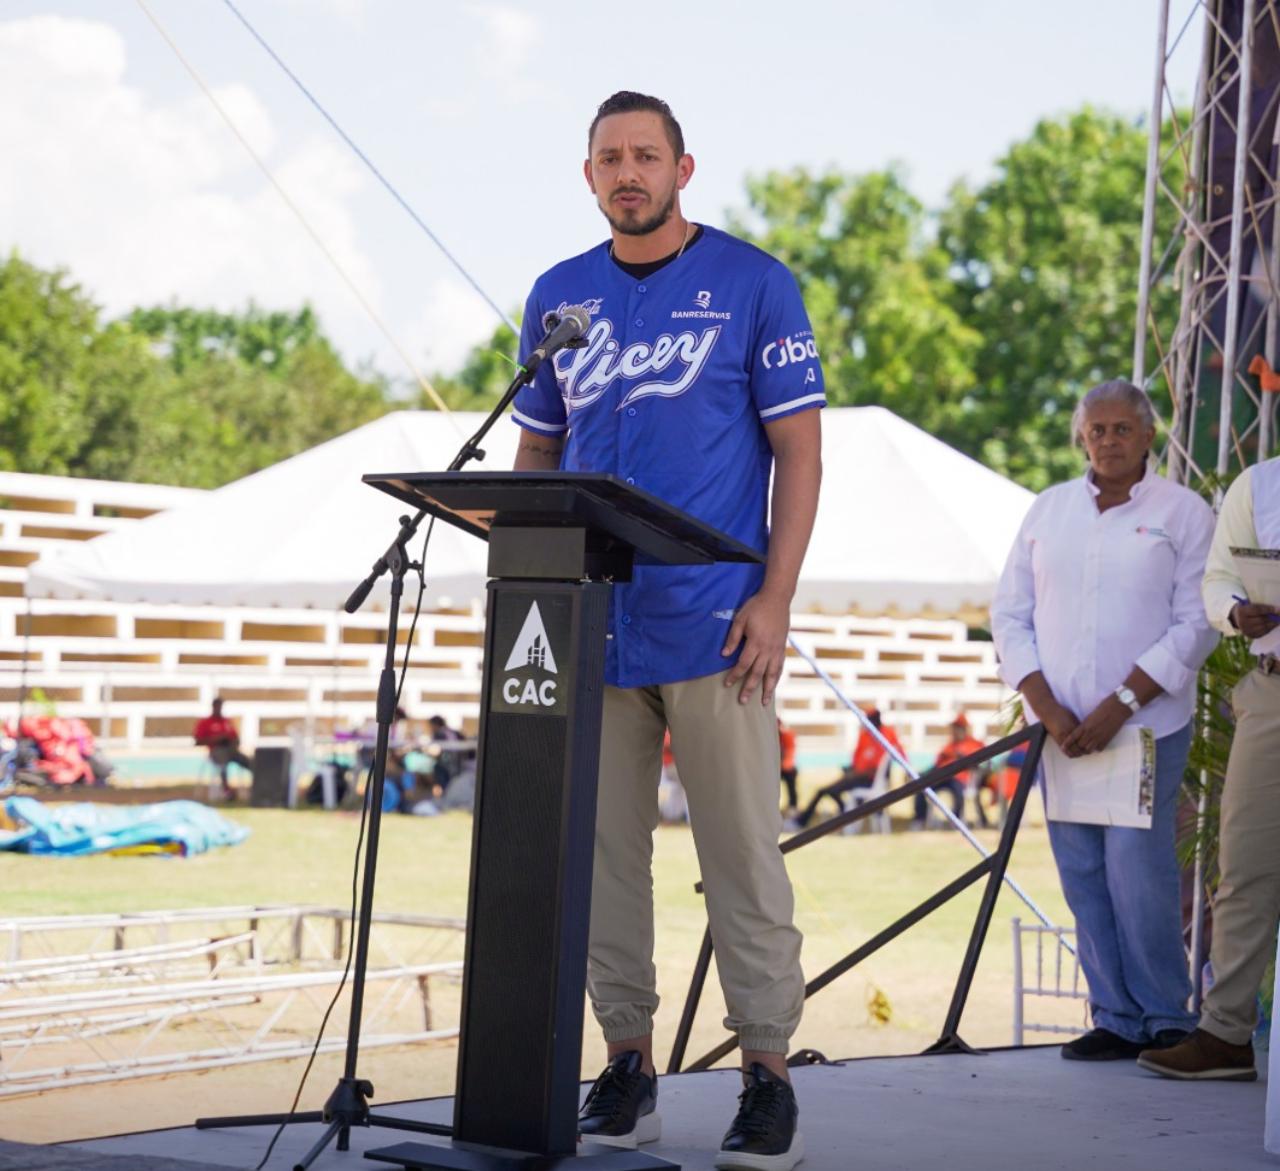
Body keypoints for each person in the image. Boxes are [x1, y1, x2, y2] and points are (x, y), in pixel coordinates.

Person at [512, 90, 821, 1171]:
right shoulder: (559, 298)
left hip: (718, 623)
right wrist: (530, 588)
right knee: (601, 859)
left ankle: (767, 1073)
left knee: (739, 853)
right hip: (596, 623)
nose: (627, 172)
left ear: (684, 167)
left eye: (646, 155)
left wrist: (775, 594)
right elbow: (536, 459)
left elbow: (799, 453)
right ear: (586, 175)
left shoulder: (752, 283)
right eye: (609, 158)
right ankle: (627, 1064)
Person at [991, 379, 1218, 1063]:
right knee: (1082, 868)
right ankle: (1115, 1015)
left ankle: (1163, 1014)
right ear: (1080, 438)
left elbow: (1198, 620)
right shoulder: (1048, 510)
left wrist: (1119, 703)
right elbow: (1009, 614)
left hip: (1144, 726)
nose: (1110, 441)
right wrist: (1049, 707)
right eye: (1098, 430)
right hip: (1061, 731)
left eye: (1124, 429)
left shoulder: (1183, 512)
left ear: (1149, 435)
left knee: (1138, 870)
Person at [1138, 453, 1280, 1081]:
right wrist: (1234, 613)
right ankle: (1225, 1035)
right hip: (1272, 687)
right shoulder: (1263, 483)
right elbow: (1219, 578)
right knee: (1245, 865)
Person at [785, 708, 903, 832]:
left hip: (867, 779)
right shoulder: (865, 735)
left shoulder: (886, 734)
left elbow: (877, 766)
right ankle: (843, 812)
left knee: (824, 791)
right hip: (857, 775)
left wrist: (857, 772)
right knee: (828, 790)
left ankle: (803, 821)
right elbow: (858, 759)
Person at [912, 713, 984, 829]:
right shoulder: (950, 744)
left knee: (958, 793)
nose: (955, 731)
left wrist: (959, 756)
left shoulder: (973, 743)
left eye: (958, 728)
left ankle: (955, 821)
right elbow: (938, 762)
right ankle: (920, 819)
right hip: (942, 776)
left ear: (964, 729)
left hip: (959, 778)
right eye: (954, 728)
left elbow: (978, 762)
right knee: (921, 785)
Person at [193, 698, 252, 800]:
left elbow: (236, 737)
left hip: (231, 750)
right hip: (216, 751)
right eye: (217, 706)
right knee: (223, 765)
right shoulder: (206, 722)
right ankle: (227, 791)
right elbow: (198, 741)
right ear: (213, 707)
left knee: (251, 762)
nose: (219, 709)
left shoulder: (227, 722)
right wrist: (217, 739)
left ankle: (257, 788)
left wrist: (233, 741)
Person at [778, 718, 799, 812]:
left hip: (786, 768)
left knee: (791, 785)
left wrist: (782, 766)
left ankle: (793, 806)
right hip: (777, 768)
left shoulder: (787, 736)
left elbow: (790, 754)